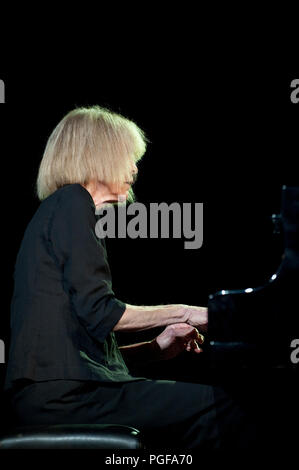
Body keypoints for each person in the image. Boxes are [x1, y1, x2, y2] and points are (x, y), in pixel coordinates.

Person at [4, 106, 257, 449]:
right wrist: (186, 311)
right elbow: (102, 312)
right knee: (225, 405)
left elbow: (84, 348)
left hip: (58, 393)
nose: (135, 169)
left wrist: (155, 348)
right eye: (128, 157)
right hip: (64, 398)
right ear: (100, 155)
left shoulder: (63, 211)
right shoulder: (72, 202)